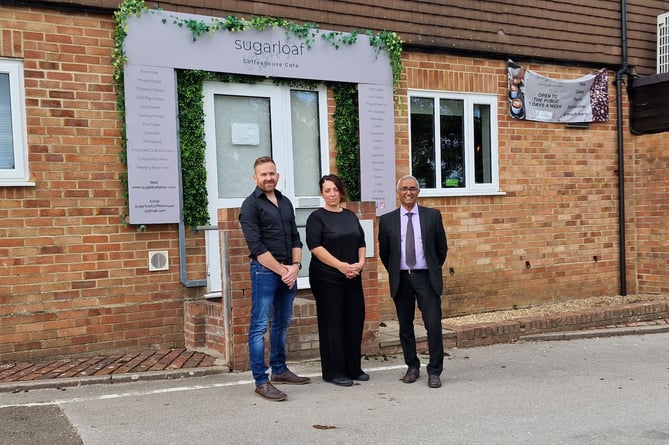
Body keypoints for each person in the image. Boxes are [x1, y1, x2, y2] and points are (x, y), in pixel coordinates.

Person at [239, 156, 311, 402]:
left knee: (282, 322)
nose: (268, 178)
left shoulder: (285, 202)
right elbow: (256, 247)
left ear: (277, 175)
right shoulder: (250, 206)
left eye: (271, 173)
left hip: (287, 271)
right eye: (263, 174)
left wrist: (295, 266)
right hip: (265, 272)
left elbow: (295, 238)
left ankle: (279, 369)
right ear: (255, 178)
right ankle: (261, 381)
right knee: (259, 326)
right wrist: (284, 271)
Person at [378, 175, 448, 389]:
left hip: (426, 277)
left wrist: (432, 269)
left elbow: (441, 248)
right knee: (405, 326)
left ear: (418, 192)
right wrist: (397, 271)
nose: (408, 192)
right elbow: (385, 253)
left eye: (412, 188)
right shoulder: (387, 219)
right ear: (398, 192)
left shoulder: (432, 216)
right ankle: (412, 366)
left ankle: (434, 371)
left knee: (433, 325)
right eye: (404, 189)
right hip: (402, 278)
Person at [306, 174, 368, 387]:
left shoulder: (350, 216)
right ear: (322, 194)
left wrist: (359, 264)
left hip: (352, 276)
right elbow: (315, 247)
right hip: (327, 278)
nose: (332, 194)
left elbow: (361, 241)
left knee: (354, 319)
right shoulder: (316, 218)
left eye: (335, 189)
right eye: (327, 191)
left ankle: (353, 368)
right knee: (333, 323)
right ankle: (334, 372)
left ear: (341, 191)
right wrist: (340, 266)